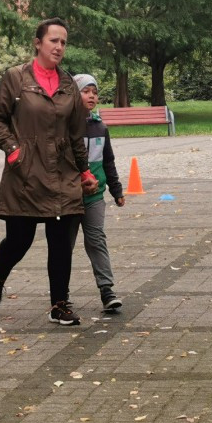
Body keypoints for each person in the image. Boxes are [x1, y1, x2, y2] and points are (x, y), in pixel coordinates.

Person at [0, 18, 99, 326]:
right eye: (53, 41)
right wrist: (13, 150)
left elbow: (76, 135)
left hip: (62, 174)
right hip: (25, 175)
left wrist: (85, 172)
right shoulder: (15, 78)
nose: (59, 47)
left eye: (63, 42)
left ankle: (59, 304)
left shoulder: (68, 85)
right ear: (38, 43)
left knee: (61, 243)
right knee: (19, 241)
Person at [71, 73, 126, 313]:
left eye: (94, 92)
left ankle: (107, 290)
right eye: (86, 91)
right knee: (64, 245)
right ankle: (59, 295)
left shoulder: (100, 127)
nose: (92, 95)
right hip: (68, 199)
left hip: (94, 197)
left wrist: (116, 190)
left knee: (96, 241)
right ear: (74, 95)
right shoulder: (65, 127)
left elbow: (108, 161)